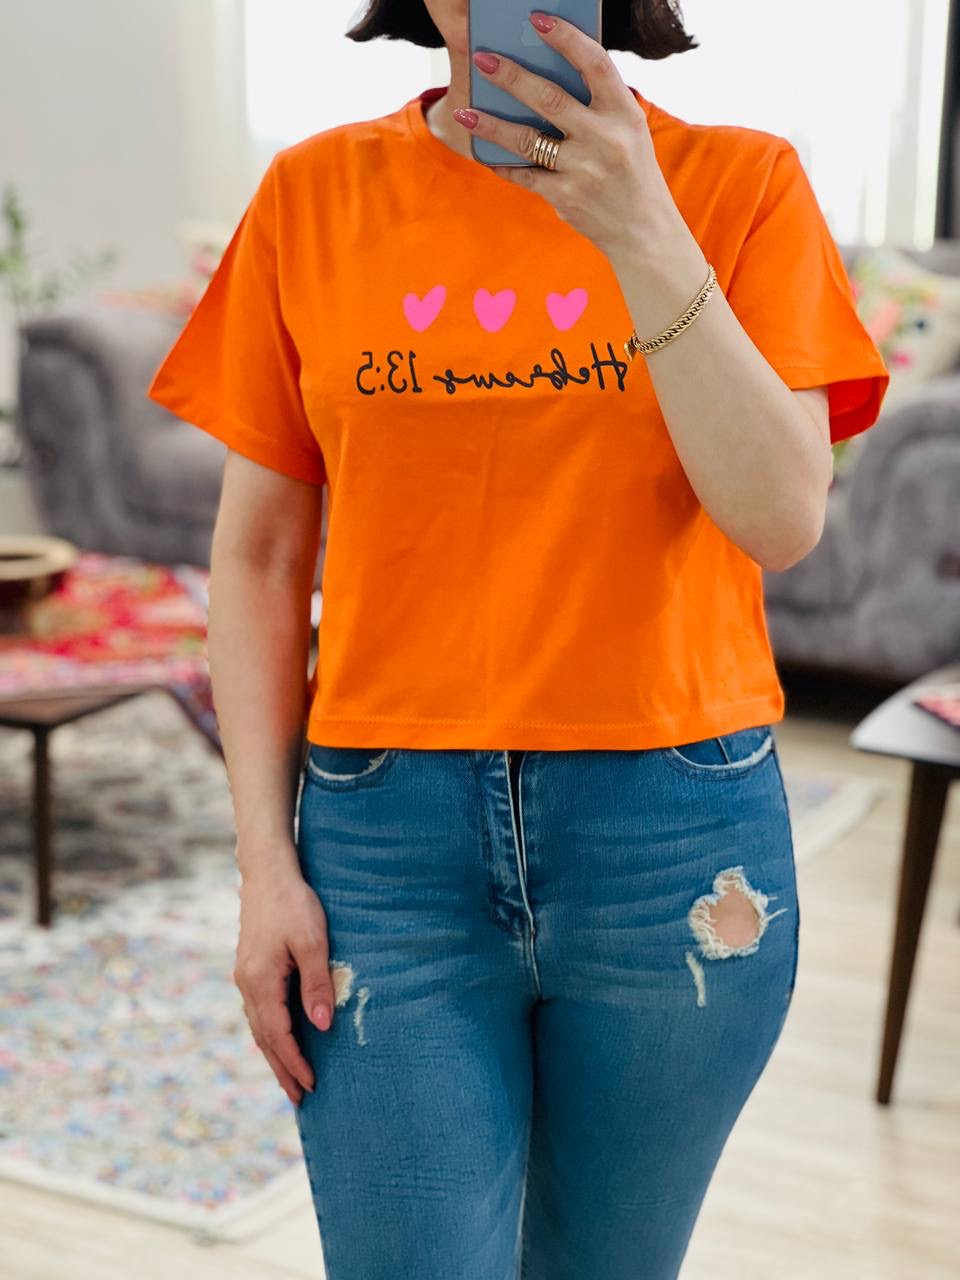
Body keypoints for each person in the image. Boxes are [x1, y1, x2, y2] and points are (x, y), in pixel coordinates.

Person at [146, 1, 889, 1275]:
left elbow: (779, 518)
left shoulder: (744, 184)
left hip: (673, 835)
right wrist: (264, 862)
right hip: (384, 844)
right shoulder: (312, 195)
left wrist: (639, 225)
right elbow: (261, 556)